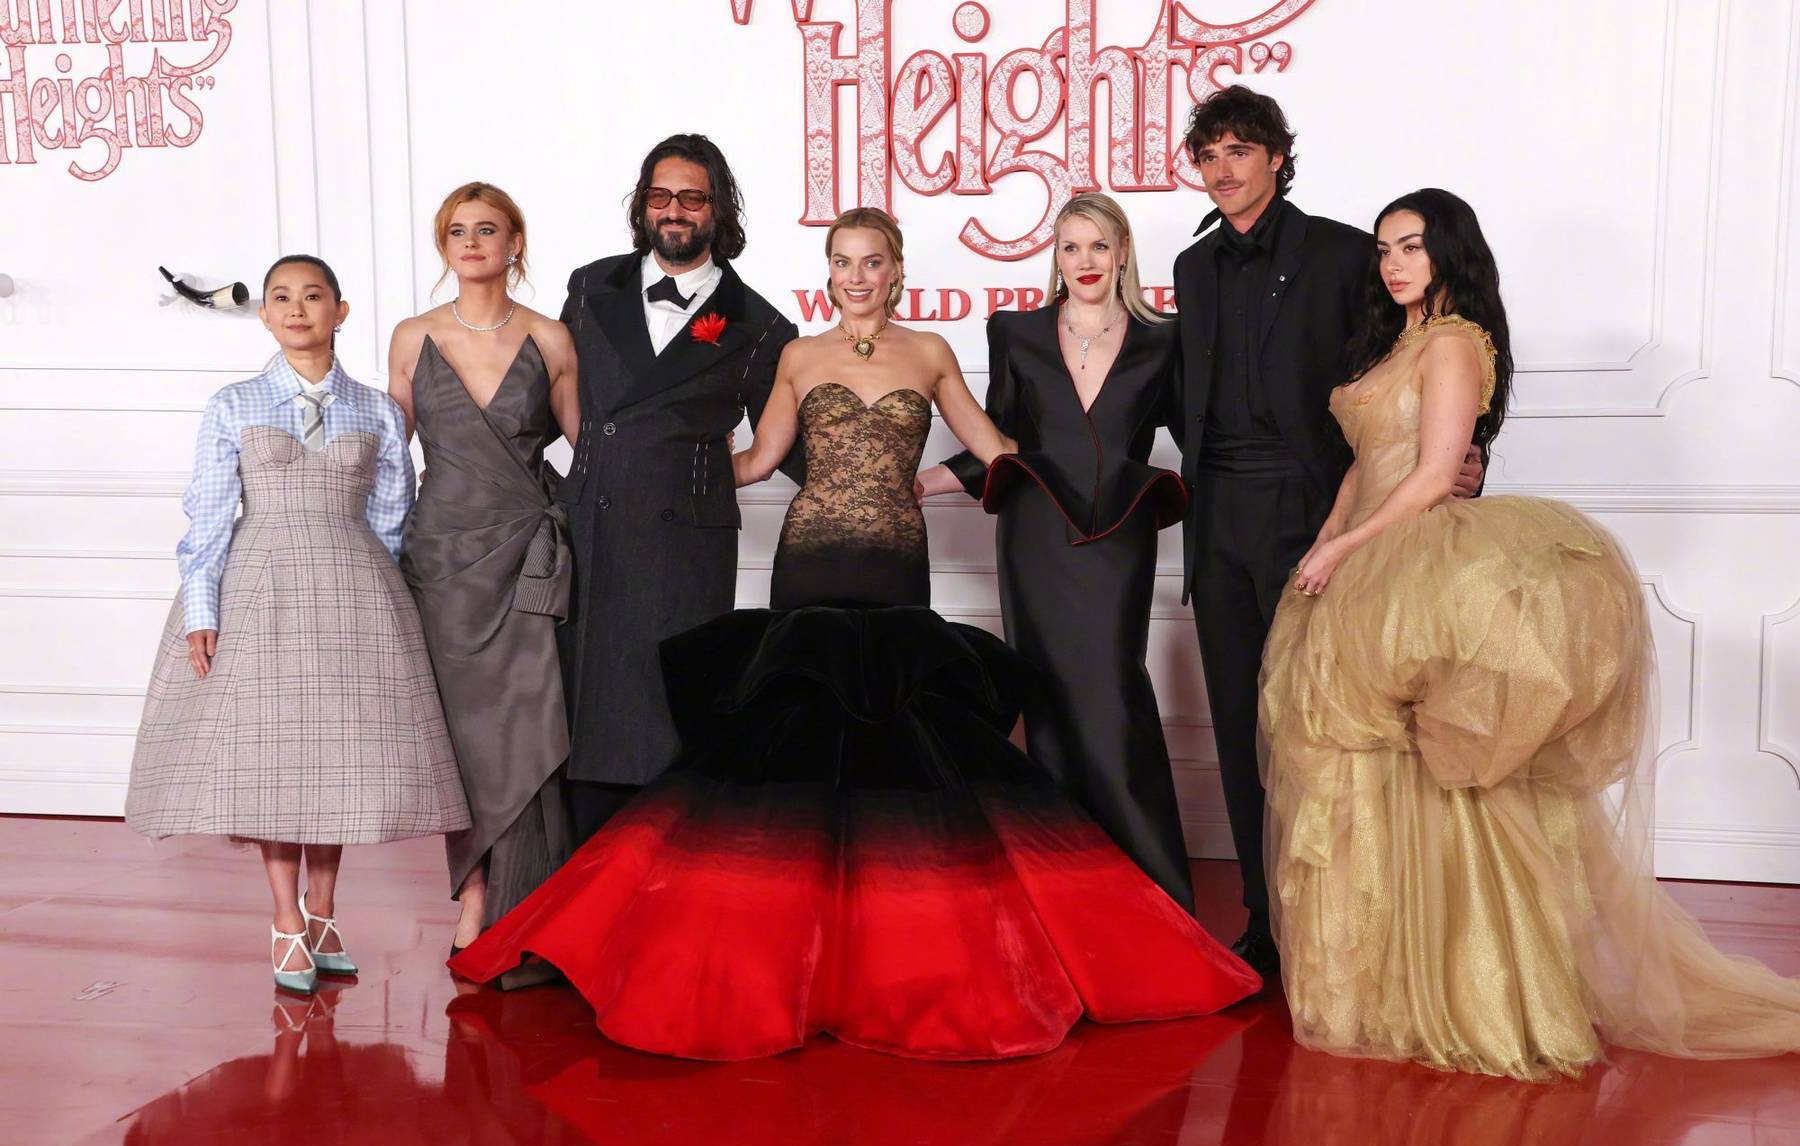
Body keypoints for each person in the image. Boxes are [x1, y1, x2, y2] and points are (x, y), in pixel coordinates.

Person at [449, 210, 1262, 1061]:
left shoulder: (931, 351)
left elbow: (1001, 450)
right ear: (829, 273)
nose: (857, 277)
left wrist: (1101, 491)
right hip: (810, 563)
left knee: (895, 760)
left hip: (895, 570)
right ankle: (780, 950)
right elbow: (758, 462)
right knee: (794, 758)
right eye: (842, 263)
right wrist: (658, 477)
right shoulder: (800, 356)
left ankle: (887, 953)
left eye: (872, 262)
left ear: (894, 270)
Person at [1259, 188, 1800, 1079]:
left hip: (1416, 560)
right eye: (1385, 249)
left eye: (1412, 246)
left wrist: (1348, 546)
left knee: (1448, 771)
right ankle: (1382, 986)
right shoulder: (1391, 344)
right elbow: (1363, 466)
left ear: (1450, 252)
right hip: (1365, 564)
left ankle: (1473, 988)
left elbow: (1435, 472)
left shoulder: (1455, 342)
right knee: (1364, 773)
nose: (1393, 264)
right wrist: (1325, 545)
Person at [1171, 86, 1486, 977]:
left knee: (1322, 728)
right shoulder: (1191, 268)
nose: (1224, 169)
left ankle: (1339, 924)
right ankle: (1265, 923)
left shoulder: (1347, 253)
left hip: (1315, 511)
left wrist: (1468, 457)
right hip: (1216, 512)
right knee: (1240, 724)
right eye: (1209, 155)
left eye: (1240, 150)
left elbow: (1418, 363)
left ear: (1277, 158)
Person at [125, 255, 468, 995]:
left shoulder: (377, 409)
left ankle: (324, 912)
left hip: (353, 589)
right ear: (265, 314)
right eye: (281, 297)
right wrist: (202, 609)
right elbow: (207, 516)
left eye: (313, 296)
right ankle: (285, 918)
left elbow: (393, 518)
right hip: (260, 588)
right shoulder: (234, 403)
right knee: (272, 756)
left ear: (340, 311)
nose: (296, 309)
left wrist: (385, 603)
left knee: (333, 754)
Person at [916, 193, 1194, 912]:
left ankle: (1155, 893)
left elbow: (1203, 437)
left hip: (1118, 539)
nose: (1085, 261)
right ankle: (1067, 892)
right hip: (1035, 536)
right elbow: (1000, 438)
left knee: (1114, 696)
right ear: (1056, 257)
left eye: (1099, 245)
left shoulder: (1165, 338)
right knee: (1046, 703)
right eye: (1071, 247)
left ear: (1123, 252)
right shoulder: (1016, 331)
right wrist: (922, 482)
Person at [556, 133, 801, 843]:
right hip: (592, 526)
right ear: (642, 205)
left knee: (668, 714)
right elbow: (547, 392)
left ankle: (661, 884)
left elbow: (789, 443)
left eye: (692, 198)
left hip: (683, 543)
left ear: (719, 209)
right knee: (583, 714)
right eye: (660, 196)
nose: (674, 210)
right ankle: (577, 890)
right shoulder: (589, 286)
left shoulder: (759, 323)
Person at [388, 183, 580, 950]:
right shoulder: (412, 337)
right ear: (445, 247)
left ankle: (528, 899)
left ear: (514, 243)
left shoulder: (552, 338)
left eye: (487, 230)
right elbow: (389, 460)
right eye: (457, 232)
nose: (471, 243)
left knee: (528, 721)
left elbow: (593, 452)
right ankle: (472, 890)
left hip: (526, 552)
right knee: (461, 732)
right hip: (441, 557)